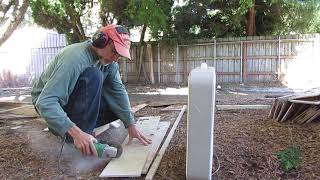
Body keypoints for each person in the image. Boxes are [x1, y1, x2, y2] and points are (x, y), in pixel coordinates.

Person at [31, 24, 151, 157]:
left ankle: (84, 134)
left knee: (118, 107)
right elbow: (45, 102)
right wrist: (77, 134)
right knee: (94, 76)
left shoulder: (109, 63)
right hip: (54, 106)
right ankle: (76, 138)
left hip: (72, 104)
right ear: (101, 40)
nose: (116, 57)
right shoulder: (74, 58)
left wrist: (130, 124)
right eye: (115, 51)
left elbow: (118, 92)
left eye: (120, 54)